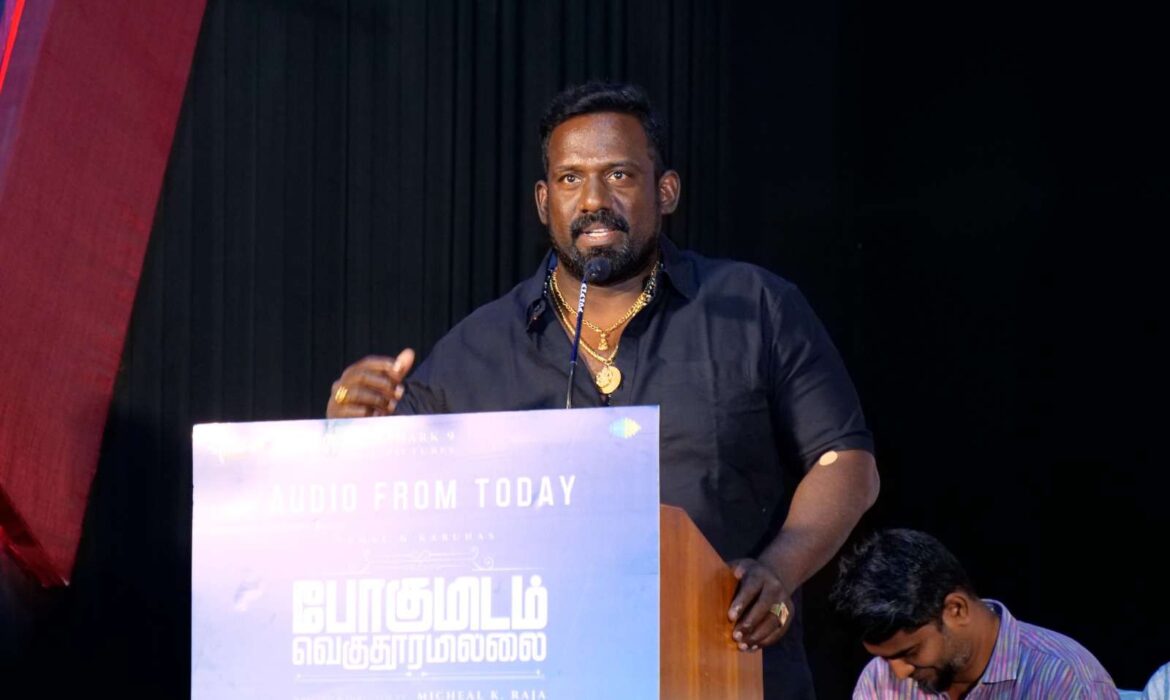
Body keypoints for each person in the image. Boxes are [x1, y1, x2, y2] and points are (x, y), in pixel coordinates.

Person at [326, 81, 879, 699]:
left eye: (618, 174)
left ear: (665, 191)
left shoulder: (754, 307)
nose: (593, 199)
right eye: (570, 179)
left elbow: (847, 462)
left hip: (727, 667)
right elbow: (395, 495)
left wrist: (780, 568)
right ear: (544, 201)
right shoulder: (474, 349)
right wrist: (349, 428)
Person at [830, 528, 1119, 699]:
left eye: (910, 652)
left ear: (956, 609)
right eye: (885, 658)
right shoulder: (879, 680)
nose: (899, 671)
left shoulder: (1063, 678)